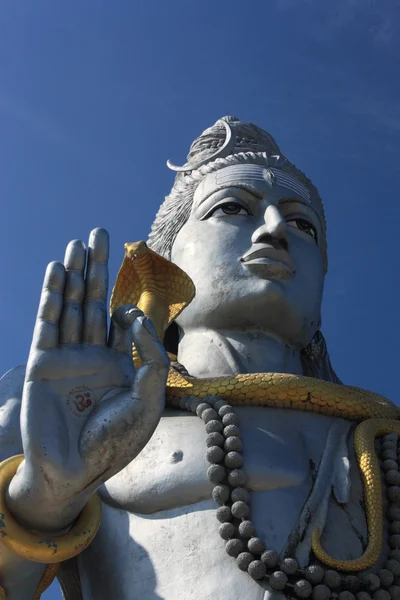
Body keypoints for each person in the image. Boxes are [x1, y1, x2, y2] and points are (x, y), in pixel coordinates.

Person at [0, 117, 398, 600]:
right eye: (232, 208)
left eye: (302, 224)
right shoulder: (71, 406)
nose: (275, 230)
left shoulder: (381, 442)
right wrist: (40, 502)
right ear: (166, 259)